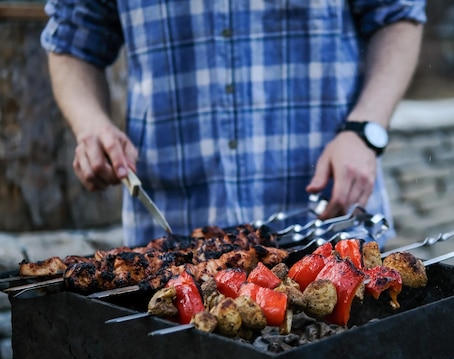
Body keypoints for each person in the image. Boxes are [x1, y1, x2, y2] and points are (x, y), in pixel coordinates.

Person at [41, 1, 426, 247]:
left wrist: (364, 130)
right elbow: (72, 43)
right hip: (172, 248)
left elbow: (397, 15)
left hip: (330, 229)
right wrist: (91, 125)